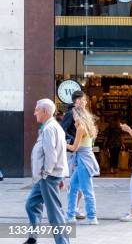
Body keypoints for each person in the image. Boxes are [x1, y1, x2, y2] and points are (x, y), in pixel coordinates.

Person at [24, 99, 70, 244]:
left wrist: (46, 173)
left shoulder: (50, 128)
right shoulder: (49, 127)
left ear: (45, 111)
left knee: (54, 213)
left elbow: (51, 155)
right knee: (31, 204)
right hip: (45, 177)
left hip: (47, 177)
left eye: (37, 110)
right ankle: (33, 237)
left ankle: (63, 242)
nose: (34, 113)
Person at [65, 107, 100, 224]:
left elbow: (74, 148)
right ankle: (70, 215)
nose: (73, 117)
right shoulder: (87, 127)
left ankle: (92, 217)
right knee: (73, 188)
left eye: (74, 114)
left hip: (83, 161)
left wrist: (63, 144)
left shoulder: (81, 128)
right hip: (84, 160)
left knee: (86, 189)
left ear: (78, 115)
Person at [59, 90, 87, 220]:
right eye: (84, 100)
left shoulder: (81, 113)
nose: (86, 102)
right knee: (77, 183)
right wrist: (74, 139)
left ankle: (74, 208)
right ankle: (72, 209)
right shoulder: (71, 113)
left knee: (79, 183)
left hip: (79, 151)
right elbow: (61, 130)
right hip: (73, 151)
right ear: (77, 101)